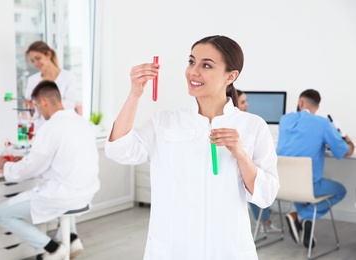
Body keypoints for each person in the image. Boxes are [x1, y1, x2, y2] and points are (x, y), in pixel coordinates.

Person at [104, 35, 279, 259]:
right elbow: (119, 150)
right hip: (173, 247)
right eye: (191, 62)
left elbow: (266, 195)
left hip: (227, 248)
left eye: (206, 65)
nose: (193, 71)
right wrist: (135, 94)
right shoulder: (164, 122)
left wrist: (241, 155)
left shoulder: (253, 126)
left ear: (231, 76)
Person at [0, 80, 100, 260]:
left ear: (43, 101)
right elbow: (61, 159)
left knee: (1, 213)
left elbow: (31, 169)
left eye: (36, 105)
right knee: (61, 190)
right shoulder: (82, 123)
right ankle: (71, 237)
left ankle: (52, 248)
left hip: (62, 195)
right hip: (85, 193)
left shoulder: (50, 127)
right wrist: (28, 158)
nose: (37, 111)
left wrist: (7, 166)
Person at [277, 89, 354, 249]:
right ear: (317, 107)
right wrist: (349, 142)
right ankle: (301, 216)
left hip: (282, 186)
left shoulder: (284, 120)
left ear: (300, 103)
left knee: (301, 190)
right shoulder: (322, 123)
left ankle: (303, 221)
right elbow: (345, 151)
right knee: (340, 191)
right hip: (307, 187)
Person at [237, 89, 280, 233]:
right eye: (242, 102)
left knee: (257, 178)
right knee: (253, 178)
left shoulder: (256, 126)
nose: (247, 105)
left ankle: (264, 222)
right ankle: (265, 222)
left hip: (267, 188)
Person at [24, 41, 77, 131]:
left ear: (48, 54)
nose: (36, 64)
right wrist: (31, 108)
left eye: (38, 58)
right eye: (32, 61)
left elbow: (70, 106)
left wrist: (46, 103)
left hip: (63, 128)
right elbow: (33, 115)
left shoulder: (68, 77)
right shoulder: (32, 80)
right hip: (42, 129)